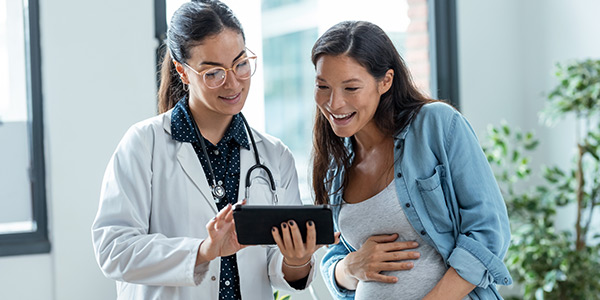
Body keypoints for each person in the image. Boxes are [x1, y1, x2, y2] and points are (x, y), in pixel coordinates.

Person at [91, 1, 319, 299]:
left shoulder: (274, 155)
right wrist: (202, 251)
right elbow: (113, 249)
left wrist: (297, 260)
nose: (234, 82)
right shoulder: (144, 144)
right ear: (182, 71)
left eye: (241, 64)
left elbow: (275, 268)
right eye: (213, 73)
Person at [311, 21, 512, 300]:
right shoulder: (334, 170)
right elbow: (337, 257)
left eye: (351, 88)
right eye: (323, 86)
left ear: (386, 81)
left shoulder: (437, 125)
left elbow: (488, 230)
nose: (334, 103)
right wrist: (349, 267)